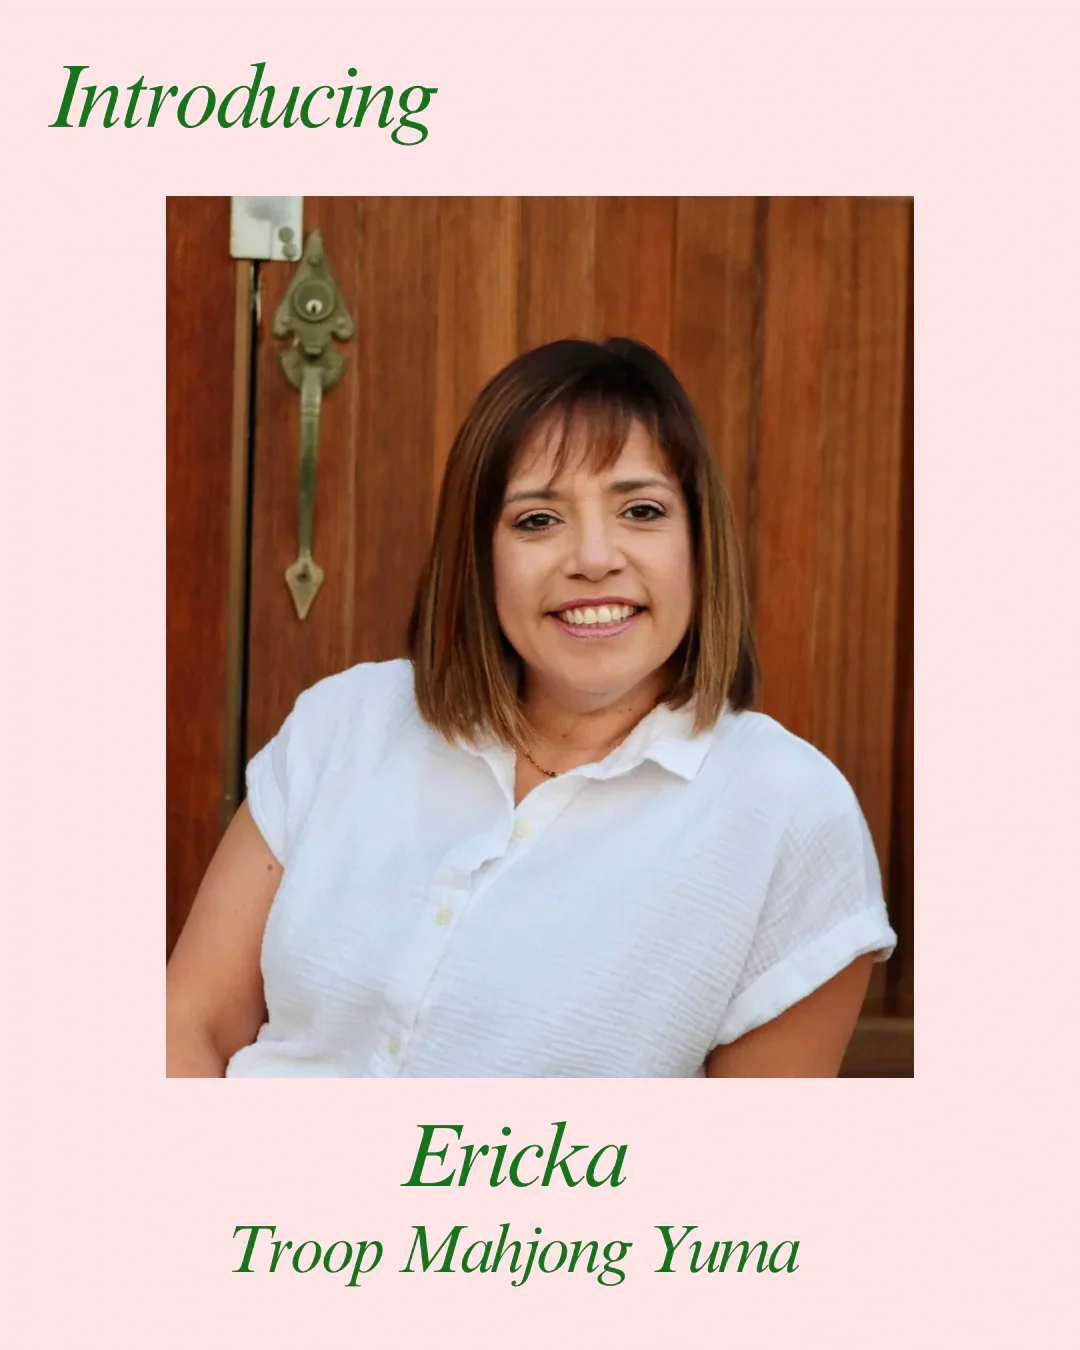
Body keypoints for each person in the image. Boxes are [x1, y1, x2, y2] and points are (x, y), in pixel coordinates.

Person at [166, 336, 897, 1078]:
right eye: (537, 520)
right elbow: (189, 1024)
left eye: (641, 510)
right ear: (478, 557)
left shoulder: (790, 812)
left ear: (700, 544)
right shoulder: (345, 723)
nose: (593, 557)